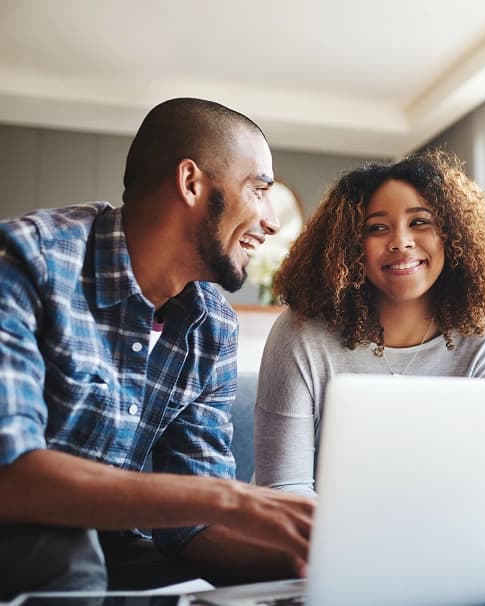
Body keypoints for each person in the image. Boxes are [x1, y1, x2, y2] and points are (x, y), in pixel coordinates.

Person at [0, 98, 314, 598]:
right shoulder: (26, 260)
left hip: (112, 549)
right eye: (259, 190)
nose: (272, 222)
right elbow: (10, 473)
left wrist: (312, 560)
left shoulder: (212, 326)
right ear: (191, 183)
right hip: (18, 527)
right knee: (67, 556)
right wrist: (232, 500)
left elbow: (191, 530)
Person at [254, 149, 485, 497]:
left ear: (452, 236)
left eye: (420, 222)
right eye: (377, 228)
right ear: (349, 246)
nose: (400, 242)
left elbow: (484, 483)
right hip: (304, 533)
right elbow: (284, 487)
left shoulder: (484, 346)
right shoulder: (301, 334)